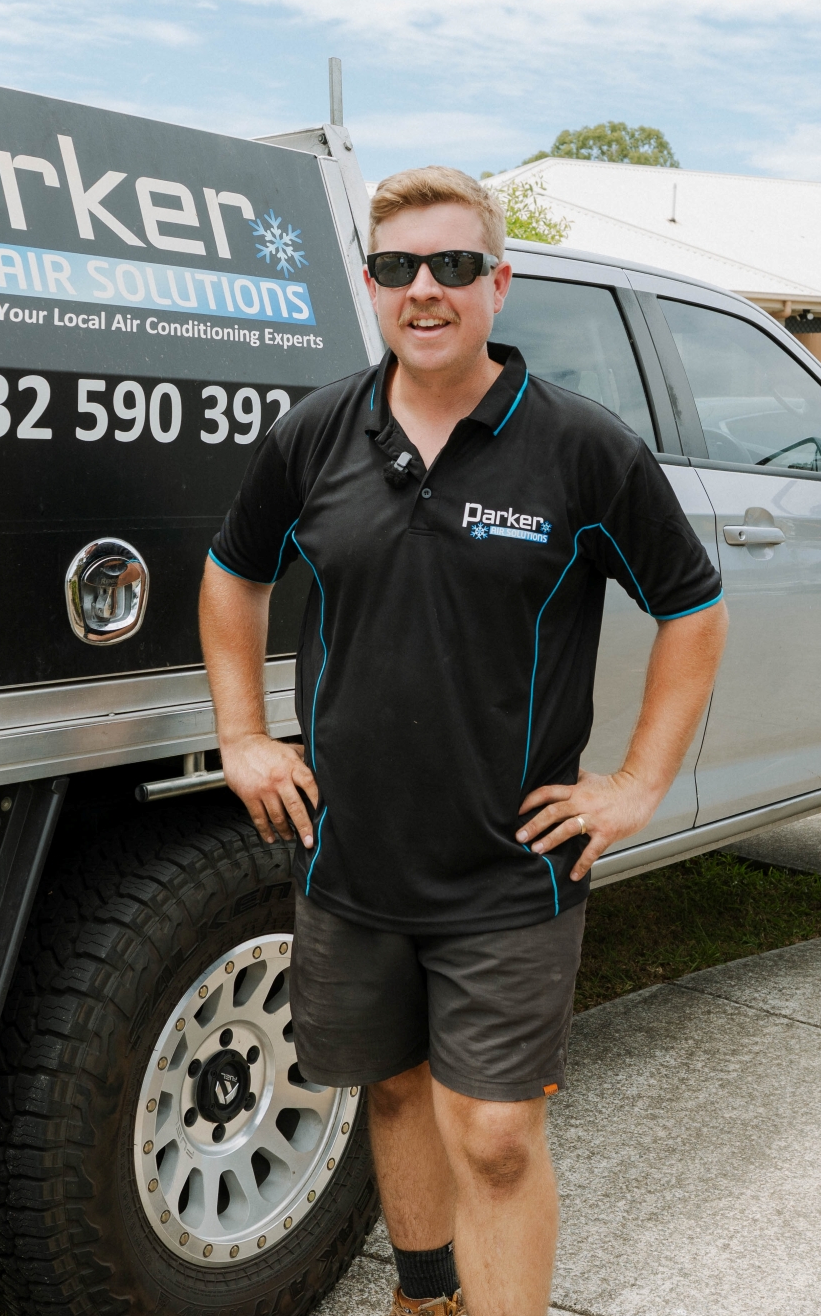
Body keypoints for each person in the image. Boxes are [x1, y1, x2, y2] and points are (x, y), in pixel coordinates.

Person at [199, 165, 729, 1316]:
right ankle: (424, 1294)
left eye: (451, 264)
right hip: (350, 854)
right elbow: (233, 573)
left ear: (499, 281)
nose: (423, 289)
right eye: (397, 267)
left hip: (509, 866)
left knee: (492, 1133)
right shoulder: (314, 435)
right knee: (394, 1089)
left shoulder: (581, 448)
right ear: (371, 285)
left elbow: (692, 606)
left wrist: (638, 781)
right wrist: (241, 732)